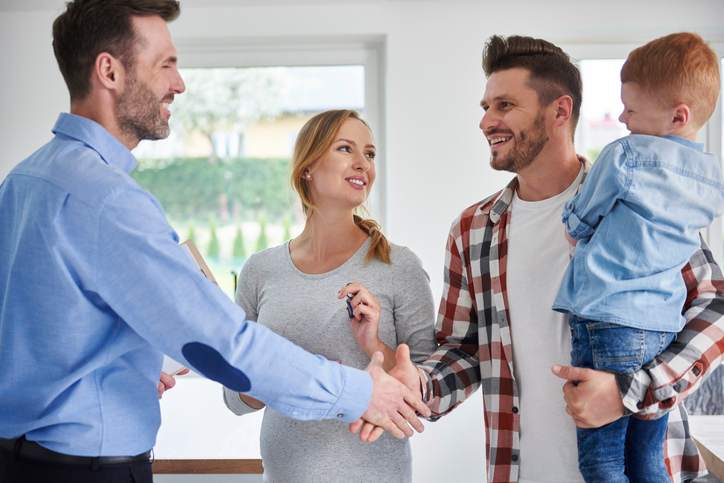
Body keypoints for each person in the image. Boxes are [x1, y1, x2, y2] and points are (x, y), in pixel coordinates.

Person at [0, 2, 428, 482]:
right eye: (166, 64)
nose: (179, 84)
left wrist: (123, 362)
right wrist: (359, 391)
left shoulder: (24, 182)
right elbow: (225, 346)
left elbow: (40, 331)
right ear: (109, 71)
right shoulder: (107, 201)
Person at [363, 35, 724, 483]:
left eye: (504, 105)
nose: (485, 122)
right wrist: (418, 384)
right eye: (485, 106)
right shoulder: (472, 230)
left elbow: (715, 307)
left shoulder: (640, 195)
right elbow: (464, 349)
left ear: (560, 111)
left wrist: (631, 393)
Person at [222, 109, 436, 483]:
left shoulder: (399, 267)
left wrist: (372, 344)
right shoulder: (261, 270)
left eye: (369, 154)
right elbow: (234, 397)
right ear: (307, 168)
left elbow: (427, 397)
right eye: (345, 149)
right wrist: (282, 374)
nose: (362, 163)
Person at [550, 32, 723, 483]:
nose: (623, 117)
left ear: (677, 115)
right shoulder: (712, 178)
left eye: (631, 108)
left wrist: (576, 230)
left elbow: (582, 217)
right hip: (662, 327)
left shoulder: (625, 154)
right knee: (648, 459)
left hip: (608, 316)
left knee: (603, 462)